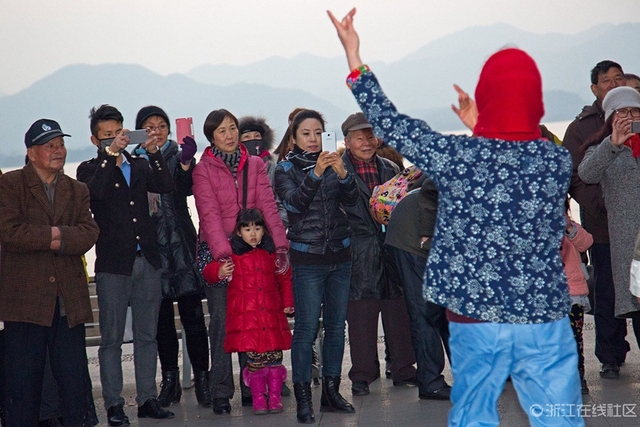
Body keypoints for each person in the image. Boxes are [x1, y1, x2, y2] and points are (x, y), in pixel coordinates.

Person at [329, 8, 583, 426]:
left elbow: (392, 125)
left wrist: (354, 54)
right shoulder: (554, 159)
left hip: (476, 314)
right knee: (558, 416)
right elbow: (512, 157)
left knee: (474, 415)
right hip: (541, 312)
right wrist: (486, 126)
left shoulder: (459, 157)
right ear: (535, 100)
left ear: (485, 96)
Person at [77, 105, 175, 424]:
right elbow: (96, 193)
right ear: (95, 139)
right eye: (106, 137)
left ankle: (147, 398)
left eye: (117, 134)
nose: (113, 140)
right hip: (112, 264)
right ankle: (114, 404)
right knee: (112, 339)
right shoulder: (88, 169)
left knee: (147, 335)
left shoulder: (139, 164)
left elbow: (165, 185)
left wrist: (153, 151)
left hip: (147, 258)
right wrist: (110, 157)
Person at [0, 119, 100, 426]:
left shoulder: (77, 189)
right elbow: (10, 231)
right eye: (49, 145)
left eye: (61, 144)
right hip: (24, 303)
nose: (58, 151)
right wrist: (58, 236)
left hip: (68, 302)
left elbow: (89, 232)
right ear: (31, 153)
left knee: (72, 382)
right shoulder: (10, 184)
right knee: (23, 386)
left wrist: (52, 237)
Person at [192, 108, 289, 415]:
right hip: (221, 254)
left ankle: (254, 386)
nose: (230, 135)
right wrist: (226, 257)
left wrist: (281, 247)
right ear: (211, 137)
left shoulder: (256, 164)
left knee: (255, 316)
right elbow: (208, 215)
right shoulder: (203, 169)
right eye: (222, 131)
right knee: (222, 321)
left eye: (232, 128)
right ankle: (220, 390)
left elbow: (268, 206)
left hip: (255, 249)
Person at [274, 108, 359, 424]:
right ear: (294, 138)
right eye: (305, 133)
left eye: (317, 132)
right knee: (307, 329)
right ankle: (304, 400)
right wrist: (316, 174)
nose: (312, 139)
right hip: (307, 258)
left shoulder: (337, 161)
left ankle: (332, 393)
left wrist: (343, 175)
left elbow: (352, 201)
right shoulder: (284, 169)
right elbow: (294, 205)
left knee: (337, 327)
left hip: (340, 254)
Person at [130, 106, 211, 408]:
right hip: (152, 250)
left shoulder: (180, 156)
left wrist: (188, 162)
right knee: (161, 321)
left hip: (181, 244)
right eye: (149, 126)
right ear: (139, 131)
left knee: (193, 318)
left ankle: (202, 379)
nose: (156, 130)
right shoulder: (132, 161)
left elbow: (186, 189)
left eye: (162, 125)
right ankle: (170, 381)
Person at [338, 112, 417, 396]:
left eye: (370, 135)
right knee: (361, 315)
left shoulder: (390, 167)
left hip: (391, 248)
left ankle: (404, 368)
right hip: (357, 250)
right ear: (347, 141)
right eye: (359, 137)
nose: (366, 142)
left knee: (398, 311)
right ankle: (361, 374)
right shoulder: (339, 169)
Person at [563, 60, 631, 379]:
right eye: (607, 81)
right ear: (595, 89)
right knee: (606, 290)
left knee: (638, 287)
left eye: (619, 78)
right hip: (603, 224)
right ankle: (610, 354)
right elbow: (577, 178)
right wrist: (604, 206)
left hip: (637, 228)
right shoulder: (582, 127)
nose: (614, 84)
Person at [202, 208, 294, 415]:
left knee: (274, 362)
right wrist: (218, 272)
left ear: (264, 231)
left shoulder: (271, 254)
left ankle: (275, 398)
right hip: (248, 323)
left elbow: (284, 277)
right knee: (255, 364)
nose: (253, 233)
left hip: (271, 317)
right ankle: (259, 399)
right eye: (247, 229)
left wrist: (288, 302)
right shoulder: (232, 255)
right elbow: (209, 272)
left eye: (257, 228)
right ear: (238, 232)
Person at [384, 175, 452, 401]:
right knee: (426, 313)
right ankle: (431, 383)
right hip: (414, 239)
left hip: (421, 235)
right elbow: (431, 187)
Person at [578, 87, 640, 324]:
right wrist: (613, 144)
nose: (630, 117)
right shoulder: (602, 148)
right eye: (622, 112)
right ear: (611, 117)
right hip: (628, 243)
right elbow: (587, 174)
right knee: (636, 305)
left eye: (635, 111)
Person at [560, 197, 594, 394]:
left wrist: (569, 228)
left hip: (572, 295)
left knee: (573, 339)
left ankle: (577, 377)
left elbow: (586, 242)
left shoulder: (572, 231)